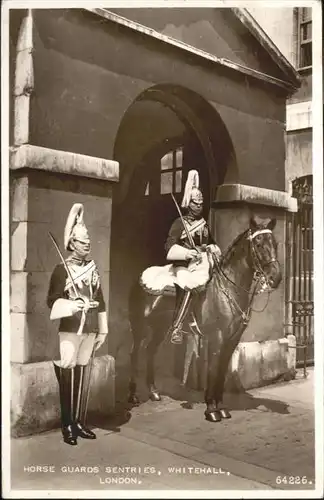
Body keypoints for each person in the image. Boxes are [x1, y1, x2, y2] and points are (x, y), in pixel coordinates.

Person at [47, 203, 108, 446]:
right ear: (72, 243)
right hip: (71, 327)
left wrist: (103, 328)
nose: (88, 245)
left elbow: (100, 299)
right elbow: (51, 300)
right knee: (68, 371)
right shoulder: (61, 270)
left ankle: (80, 421)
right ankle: (67, 425)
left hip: (90, 327)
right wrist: (73, 304)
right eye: (83, 242)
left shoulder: (93, 269)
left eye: (89, 242)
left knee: (83, 373)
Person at [165, 170, 221, 344]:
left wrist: (211, 247)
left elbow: (211, 242)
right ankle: (177, 326)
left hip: (201, 263)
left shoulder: (204, 225)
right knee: (188, 285)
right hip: (182, 265)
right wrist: (186, 252)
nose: (199, 206)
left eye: (201, 203)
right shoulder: (179, 223)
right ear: (189, 204)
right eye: (196, 204)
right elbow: (169, 246)